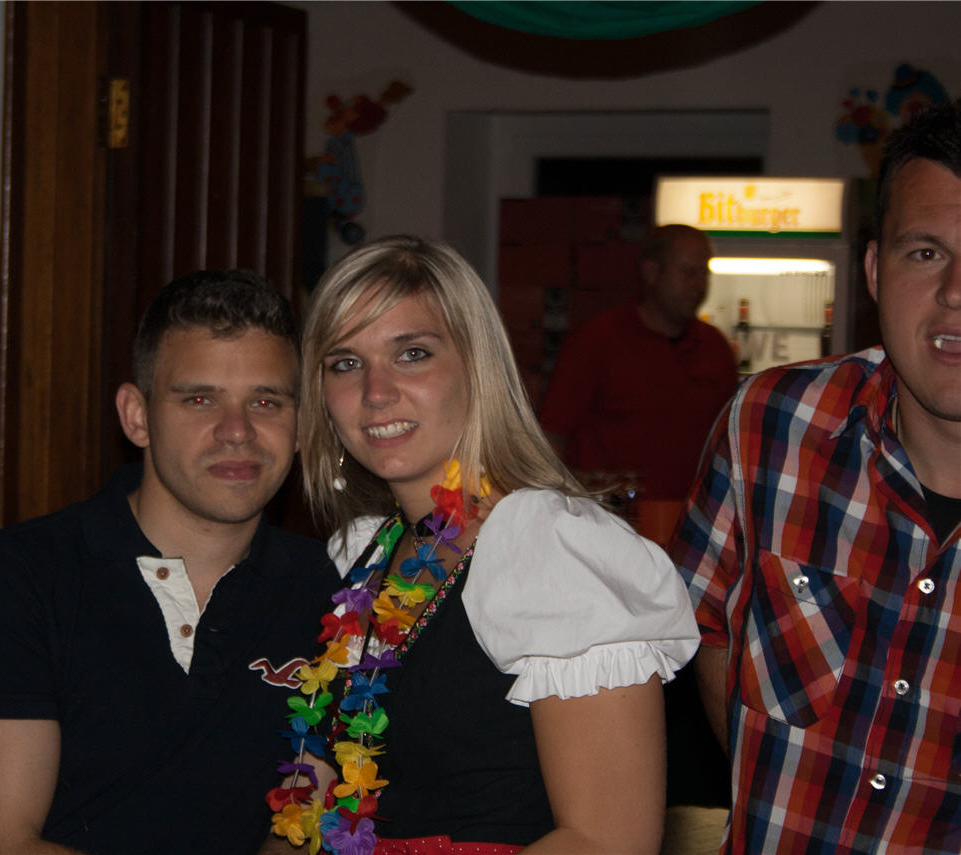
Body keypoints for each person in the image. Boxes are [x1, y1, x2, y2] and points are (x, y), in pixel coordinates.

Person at [263, 235, 700, 854]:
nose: (376, 391)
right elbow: (316, 806)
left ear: (477, 367)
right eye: (345, 363)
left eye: (412, 353)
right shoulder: (363, 552)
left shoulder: (551, 549)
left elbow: (607, 841)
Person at [0, 270, 339, 855]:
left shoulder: (333, 592)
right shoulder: (14, 577)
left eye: (266, 401)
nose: (237, 431)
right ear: (136, 415)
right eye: (199, 399)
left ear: (300, 426)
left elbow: (301, 828)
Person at [670, 97, 961, 853]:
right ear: (874, 269)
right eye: (925, 253)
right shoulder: (774, 424)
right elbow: (705, 626)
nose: (956, 292)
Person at [539, 223, 738, 503]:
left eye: (704, 273)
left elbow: (731, 443)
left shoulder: (714, 348)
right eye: (688, 272)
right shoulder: (598, 341)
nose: (700, 285)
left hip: (691, 519)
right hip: (609, 517)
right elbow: (551, 437)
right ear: (651, 272)